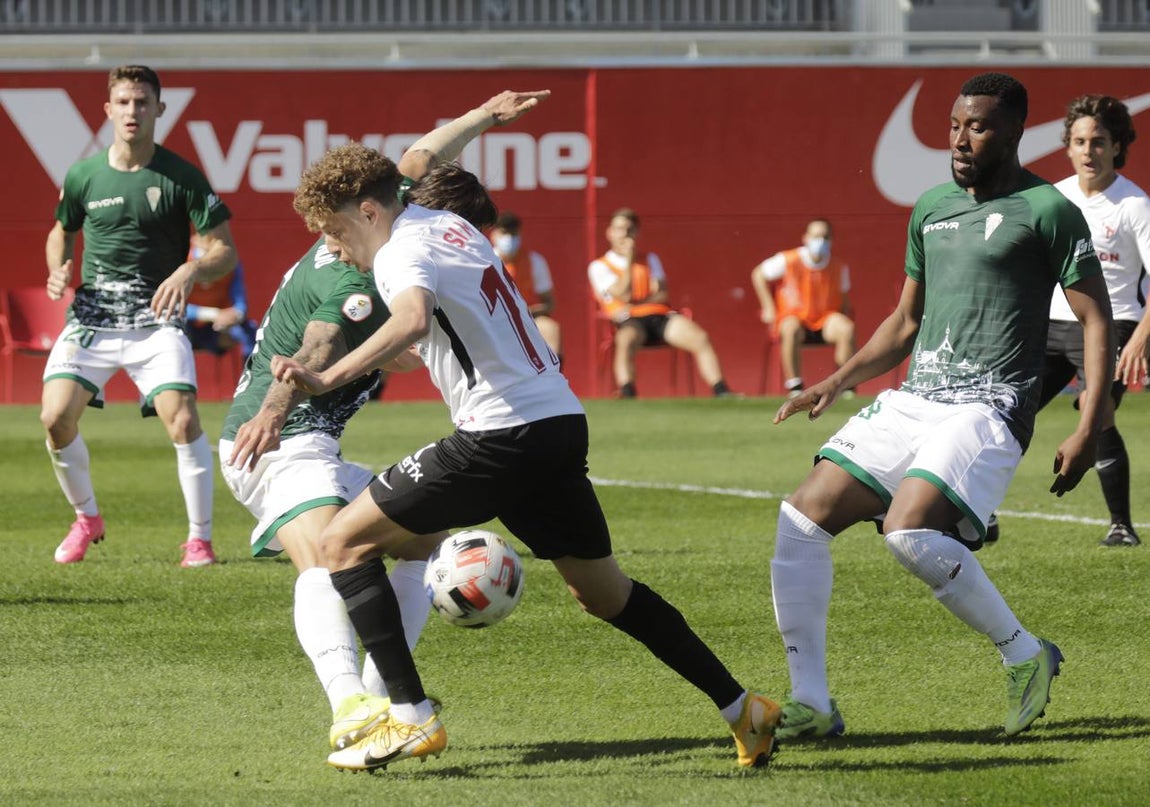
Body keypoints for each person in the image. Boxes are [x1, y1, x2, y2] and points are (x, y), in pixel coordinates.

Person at [272, 143, 781, 772]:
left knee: (342, 543)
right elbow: (430, 334)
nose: (333, 247)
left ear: (371, 212)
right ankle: (742, 709)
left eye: (337, 230)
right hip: (557, 423)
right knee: (605, 593)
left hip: (498, 435)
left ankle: (408, 718)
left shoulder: (402, 249)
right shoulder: (450, 227)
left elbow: (408, 321)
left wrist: (328, 378)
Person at [768, 73, 1112, 740]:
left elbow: (1096, 320)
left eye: (977, 126)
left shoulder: (1048, 210)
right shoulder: (929, 207)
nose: (959, 138)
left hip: (989, 404)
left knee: (908, 531)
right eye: (955, 124)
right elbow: (903, 322)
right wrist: (833, 381)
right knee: (800, 518)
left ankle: (1025, 652)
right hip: (917, 395)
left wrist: (1090, 421)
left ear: (1012, 133)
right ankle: (812, 701)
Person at [218, 90, 551, 756]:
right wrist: (273, 413)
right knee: (324, 554)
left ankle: (394, 706)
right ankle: (350, 705)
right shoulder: (357, 279)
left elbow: (424, 153)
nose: (328, 241)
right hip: (273, 445)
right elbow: (312, 349)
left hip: (313, 443)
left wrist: (488, 114)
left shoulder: (391, 212)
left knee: (422, 544)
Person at [42, 64, 237, 568]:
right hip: (92, 320)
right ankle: (87, 519)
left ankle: (199, 540)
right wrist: (57, 269)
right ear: (108, 110)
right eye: (124, 102)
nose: (133, 111)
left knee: (183, 419)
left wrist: (191, 270)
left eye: (142, 102)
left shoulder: (182, 176)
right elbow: (61, 230)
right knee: (55, 420)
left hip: (156, 320)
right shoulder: (84, 174)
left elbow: (224, 250)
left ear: (159, 110)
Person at [1041, 94, 1149, 547]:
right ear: (1068, 146)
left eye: (1099, 142)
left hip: (1117, 323)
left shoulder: (1134, 204)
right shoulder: (1053, 198)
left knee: (1096, 409)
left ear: (1117, 147)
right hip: (1052, 325)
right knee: (1006, 408)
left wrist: (1142, 337)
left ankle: (1121, 525)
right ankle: (981, 513)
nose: (1089, 151)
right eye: (1080, 141)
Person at [588, 208, 733, 398]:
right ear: (609, 232)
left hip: (658, 316)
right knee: (625, 340)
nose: (624, 234)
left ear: (636, 232)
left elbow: (661, 293)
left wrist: (638, 302)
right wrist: (630, 261)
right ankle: (627, 391)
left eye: (629, 229)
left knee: (699, 337)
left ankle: (721, 390)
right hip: (628, 320)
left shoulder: (650, 259)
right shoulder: (599, 266)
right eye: (619, 228)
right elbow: (623, 295)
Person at [751, 218, 856, 396]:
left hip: (825, 320)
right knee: (790, 327)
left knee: (847, 328)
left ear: (831, 240)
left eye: (825, 237)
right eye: (815, 236)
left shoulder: (838, 266)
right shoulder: (788, 260)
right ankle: (795, 386)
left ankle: (843, 384)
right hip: (795, 319)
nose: (820, 241)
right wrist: (768, 307)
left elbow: (844, 299)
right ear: (805, 238)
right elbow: (758, 274)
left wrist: (844, 316)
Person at [489, 211, 562, 361]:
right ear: (494, 235)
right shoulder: (485, 261)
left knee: (551, 329)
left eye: (513, 233)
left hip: (527, 316)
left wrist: (530, 311)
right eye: (504, 233)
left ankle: (553, 378)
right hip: (493, 317)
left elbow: (549, 303)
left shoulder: (534, 261)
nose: (509, 238)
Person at [184, 233, 259, 360]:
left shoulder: (231, 263)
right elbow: (174, 307)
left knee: (249, 330)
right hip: (188, 324)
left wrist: (235, 316)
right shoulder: (183, 261)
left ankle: (251, 376)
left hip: (218, 327)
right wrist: (214, 314)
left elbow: (240, 303)